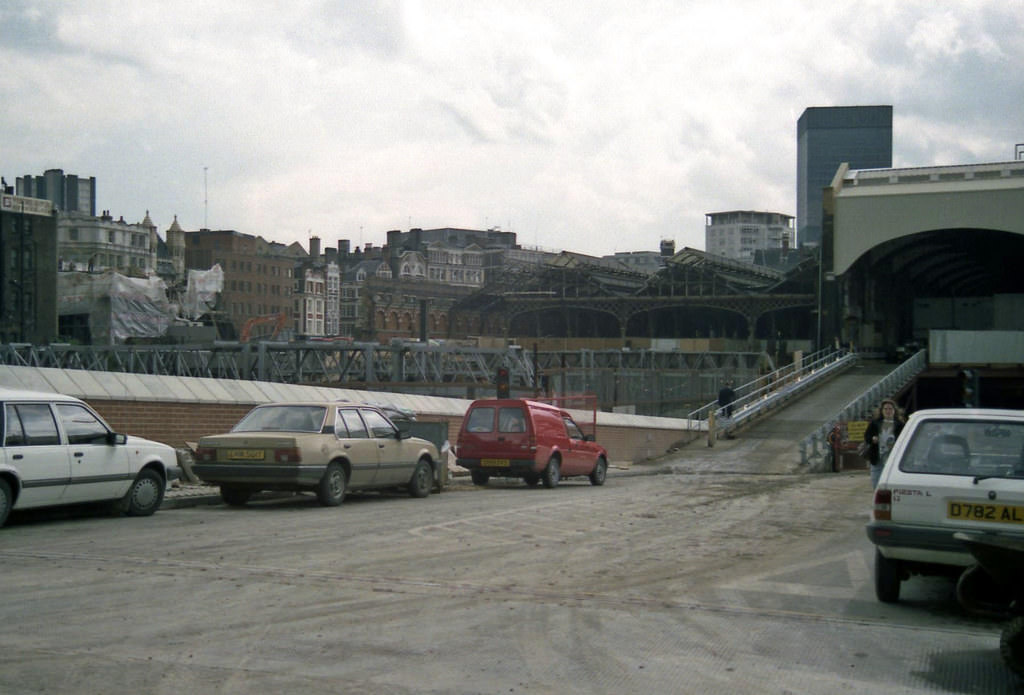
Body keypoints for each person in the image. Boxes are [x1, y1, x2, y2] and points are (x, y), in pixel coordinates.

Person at [863, 399, 906, 488]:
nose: (888, 411)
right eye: (885, 409)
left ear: (895, 411)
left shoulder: (900, 424)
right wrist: (872, 439)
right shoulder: (875, 423)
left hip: (893, 457)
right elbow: (867, 437)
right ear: (881, 411)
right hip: (877, 456)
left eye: (890, 409)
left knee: (891, 481)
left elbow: (905, 439)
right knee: (876, 481)